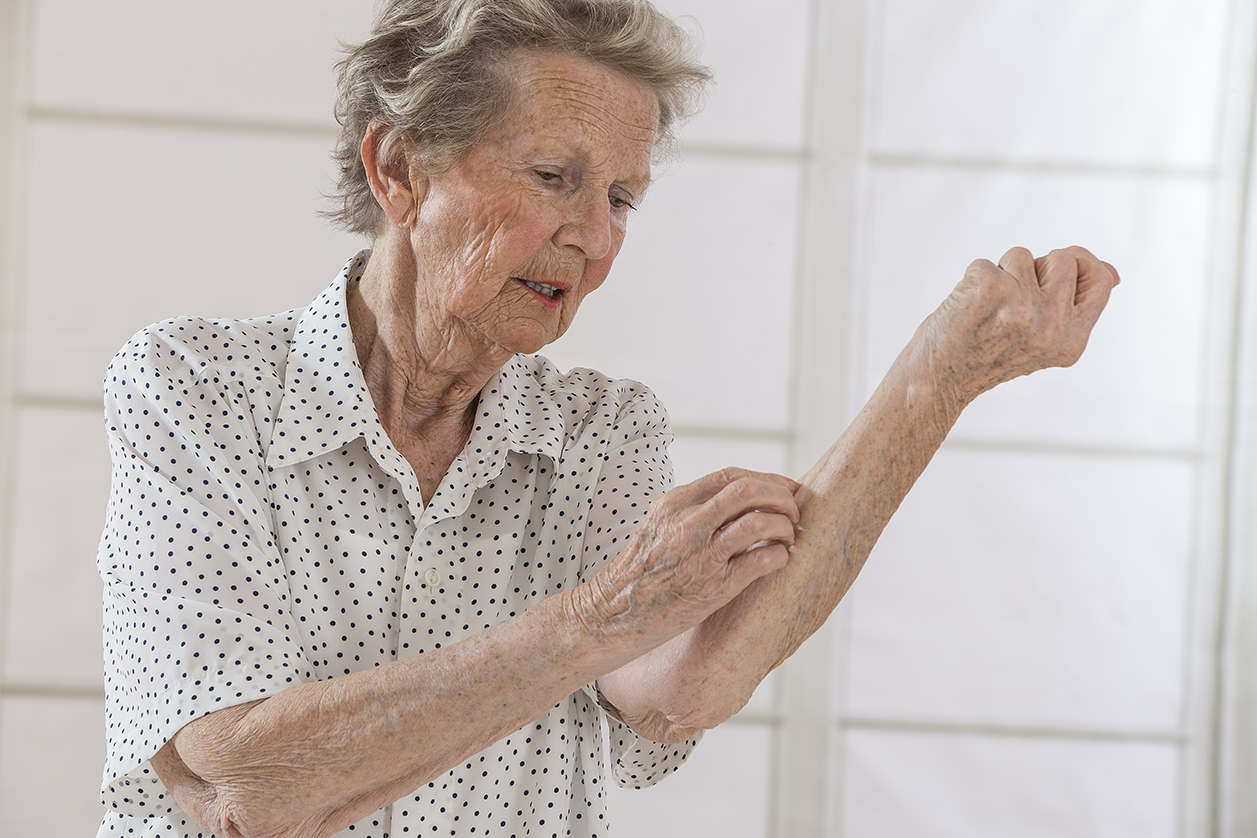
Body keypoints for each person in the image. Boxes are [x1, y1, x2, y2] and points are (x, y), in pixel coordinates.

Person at [95, 1, 1118, 836]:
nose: (590, 237)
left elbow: (678, 688)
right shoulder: (198, 388)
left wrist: (933, 382)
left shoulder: (602, 431)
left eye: (623, 198)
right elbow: (249, 778)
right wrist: (601, 616)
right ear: (397, 170)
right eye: (554, 178)